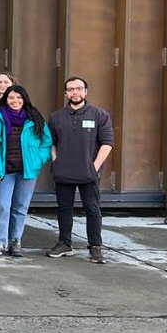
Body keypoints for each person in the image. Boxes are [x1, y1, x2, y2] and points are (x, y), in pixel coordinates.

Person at [46, 77, 114, 263]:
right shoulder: (56, 116)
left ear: (86, 91)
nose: (74, 92)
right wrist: (56, 161)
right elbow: (50, 142)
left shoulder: (99, 115)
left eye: (78, 89)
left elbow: (107, 143)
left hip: (89, 173)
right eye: (70, 89)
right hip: (64, 171)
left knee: (92, 209)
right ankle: (65, 243)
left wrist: (95, 166)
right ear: (66, 93)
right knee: (64, 209)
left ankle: (95, 246)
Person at [0, 84, 52, 258]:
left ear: (24, 99)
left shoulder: (35, 117)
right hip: (5, 170)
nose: (15, 101)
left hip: (27, 170)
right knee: (2, 206)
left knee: (20, 207)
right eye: (11, 98)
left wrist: (38, 159)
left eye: (18, 98)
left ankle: (15, 240)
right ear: (5, 100)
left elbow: (46, 143)